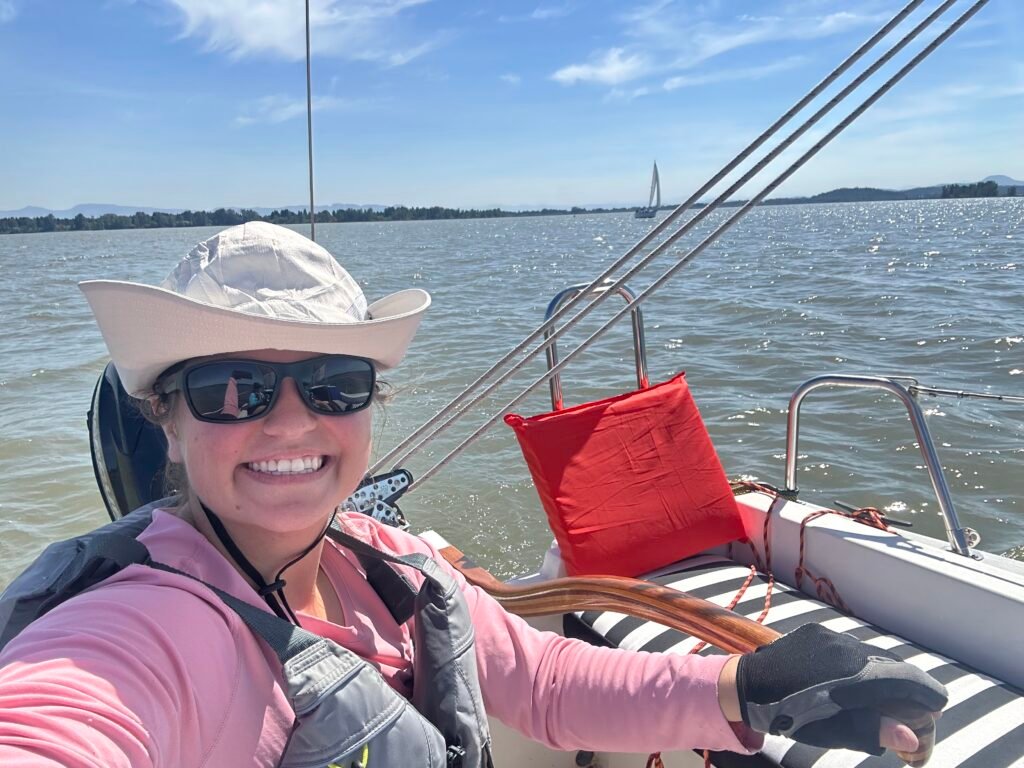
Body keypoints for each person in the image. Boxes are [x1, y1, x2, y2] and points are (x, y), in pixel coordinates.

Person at [0, 222, 946, 767]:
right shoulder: (142, 627)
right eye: (231, 389)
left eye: (333, 384)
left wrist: (750, 689)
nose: (290, 422)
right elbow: (60, 722)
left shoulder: (393, 565)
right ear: (166, 422)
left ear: (368, 407)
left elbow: (543, 682)